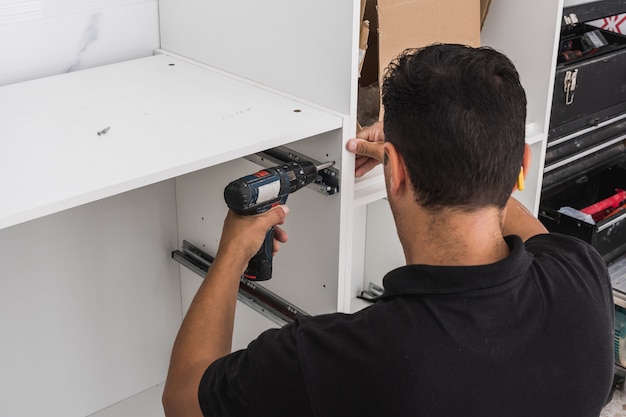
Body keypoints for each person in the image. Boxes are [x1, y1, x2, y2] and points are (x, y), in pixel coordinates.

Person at [162, 44, 615, 417]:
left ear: (393, 170)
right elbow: (515, 213)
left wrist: (231, 255)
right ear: (522, 164)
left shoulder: (339, 359)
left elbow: (182, 400)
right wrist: (427, 157)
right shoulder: (582, 280)